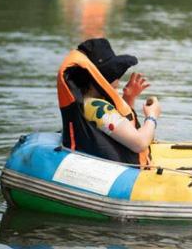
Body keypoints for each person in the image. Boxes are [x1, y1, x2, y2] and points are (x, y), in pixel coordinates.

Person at [56, 38, 160, 166]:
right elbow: (139, 143)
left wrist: (129, 98)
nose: (118, 77)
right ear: (100, 77)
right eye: (114, 72)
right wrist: (152, 116)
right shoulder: (97, 107)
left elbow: (122, 129)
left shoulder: (88, 102)